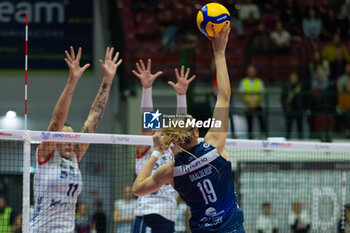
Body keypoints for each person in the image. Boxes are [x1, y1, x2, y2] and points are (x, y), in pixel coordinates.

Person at [133, 24, 245, 233]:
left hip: (175, 221)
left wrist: (157, 151)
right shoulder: (214, 146)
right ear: (195, 133)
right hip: (152, 217)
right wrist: (219, 52)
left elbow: (138, 189)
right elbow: (224, 96)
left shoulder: (168, 169)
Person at [30, 46, 122, 233]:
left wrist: (107, 80)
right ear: (55, 140)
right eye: (65, 137)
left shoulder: (74, 156)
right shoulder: (46, 155)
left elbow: (93, 120)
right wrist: (72, 81)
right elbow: (57, 120)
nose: (71, 141)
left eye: (73, 137)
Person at [131, 59, 195, 233]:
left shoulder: (175, 151)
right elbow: (147, 124)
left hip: (169, 218)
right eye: (156, 129)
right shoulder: (146, 147)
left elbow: (183, 127)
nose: (159, 131)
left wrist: (182, 95)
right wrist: (146, 88)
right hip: (147, 214)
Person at [238, 65, 266, 139]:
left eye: (253, 71)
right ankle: (250, 138)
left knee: (261, 121)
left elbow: (262, 95)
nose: (251, 72)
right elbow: (242, 95)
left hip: (258, 106)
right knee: (249, 123)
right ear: (247, 72)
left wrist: (256, 104)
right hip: (248, 107)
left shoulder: (259, 82)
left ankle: (263, 136)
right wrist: (248, 105)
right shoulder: (243, 82)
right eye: (250, 71)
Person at [281, 73, 304, 139]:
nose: (293, 80)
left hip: (298, 109)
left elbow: (304, 98)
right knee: (288, 127)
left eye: (295, 78)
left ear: (297, 79)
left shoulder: (300, 87)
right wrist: (285, 107)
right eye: (292, 78)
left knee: (300, 127)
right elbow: (283, 98)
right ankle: (287, 140)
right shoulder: (286, 87)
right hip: (289, 109)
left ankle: (301, 140)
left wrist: (303, 107)